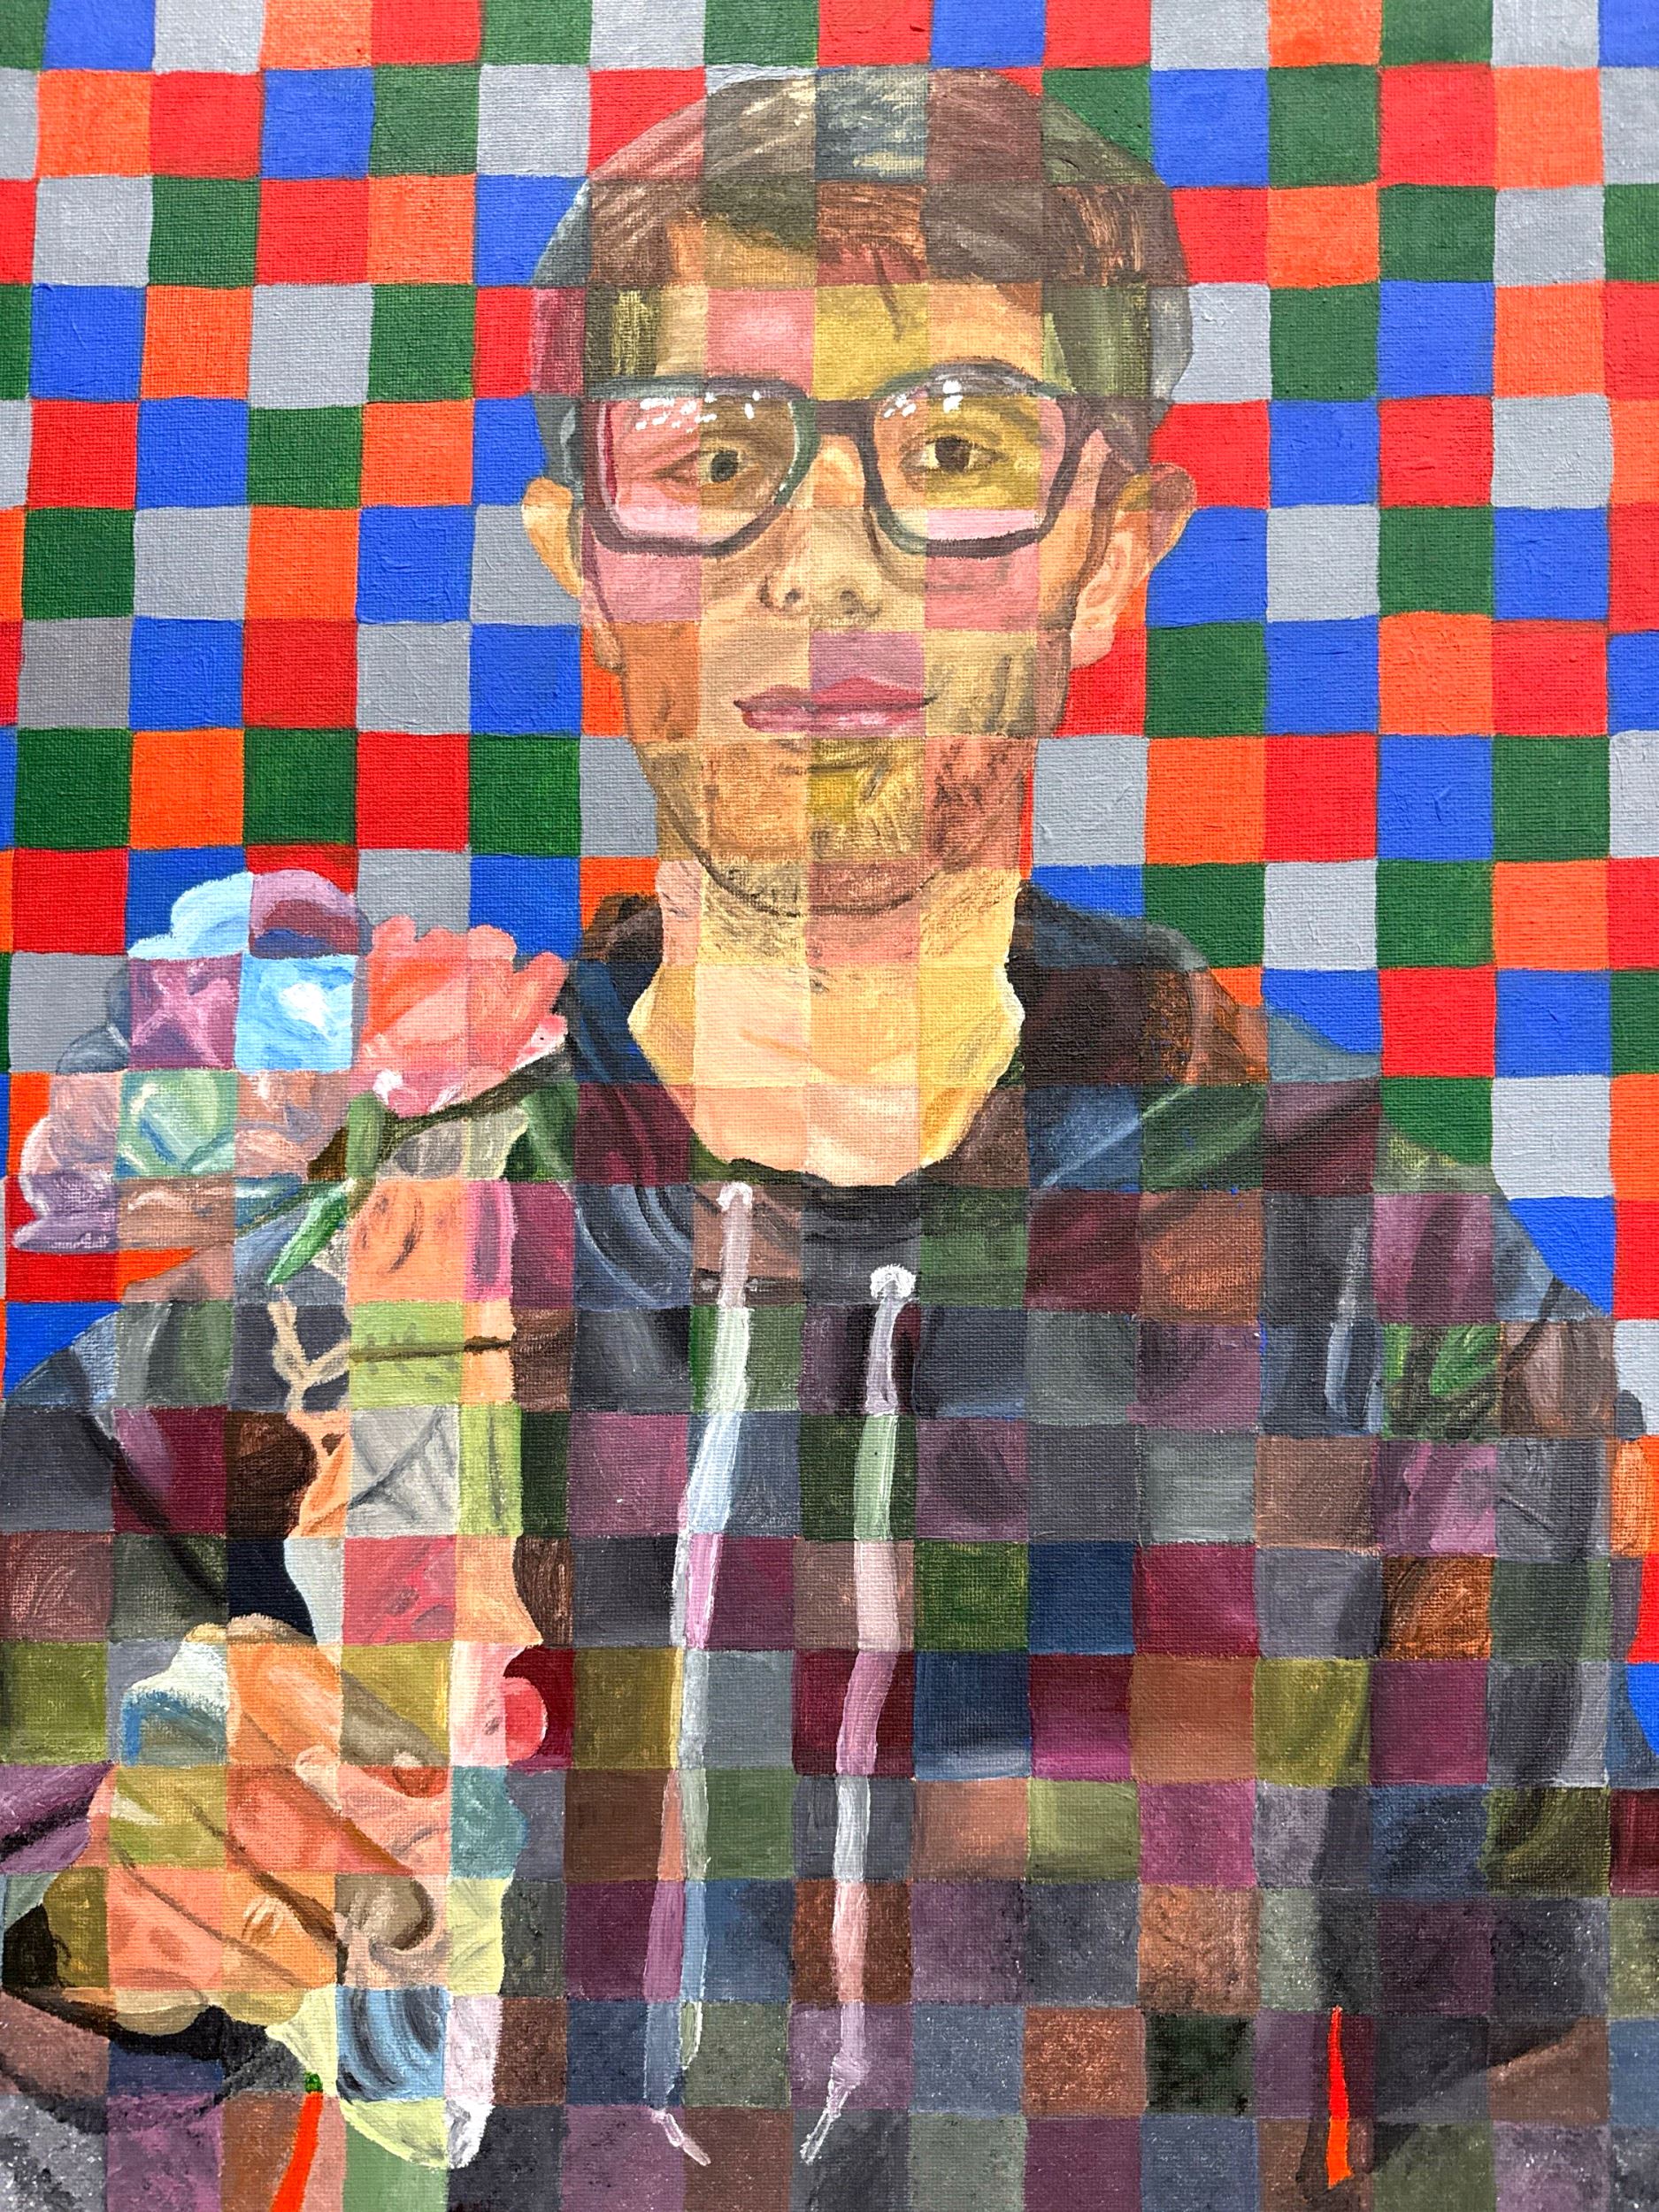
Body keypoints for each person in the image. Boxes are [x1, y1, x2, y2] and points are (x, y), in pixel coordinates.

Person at [3, 65, 1655, 2212]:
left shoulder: (1397, 1295)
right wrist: (104, 1958)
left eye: (950, 451)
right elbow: (53, 2030)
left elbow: (1558, 2072)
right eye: (712, 457)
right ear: (581, 553)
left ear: (1108, 551)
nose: (821, 559)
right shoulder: (347, 1259)